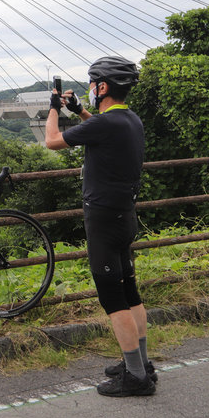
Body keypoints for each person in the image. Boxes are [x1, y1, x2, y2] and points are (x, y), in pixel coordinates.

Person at [44, 55, 155, 397]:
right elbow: (100, 129)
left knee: (114, 299)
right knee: (131, 291)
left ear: (102, 87)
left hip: (104, 220)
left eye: (93, 84)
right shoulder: (128, 119)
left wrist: (53, 108)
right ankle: (141, 364)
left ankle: (136, 378)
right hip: (125, 217)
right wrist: (78, 109)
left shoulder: (106, 124)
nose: (90, 89)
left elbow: (51, 141)